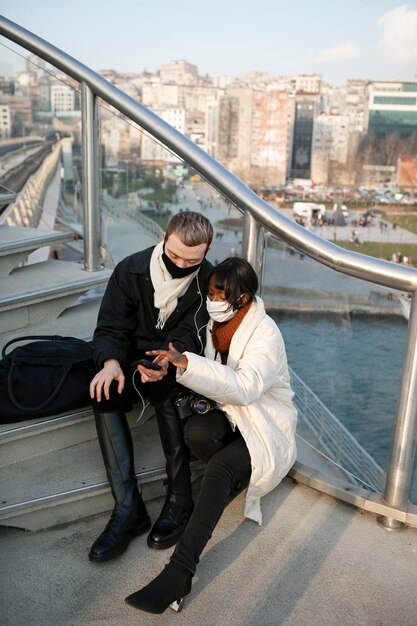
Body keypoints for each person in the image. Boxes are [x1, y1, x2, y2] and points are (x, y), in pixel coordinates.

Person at [125, 257, 297, 614]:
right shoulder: (215, 325)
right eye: (212, 292)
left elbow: (247, 388)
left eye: (221, 294)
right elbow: (209, 376)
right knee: (196, 430)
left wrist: (190, 364)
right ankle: (230, 475)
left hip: (265, 425)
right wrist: (171, 364)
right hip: (233, 417)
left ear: (244, 298)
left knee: (219, 467)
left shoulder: (265, 333)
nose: (213, 299)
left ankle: (180, 572)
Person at [88, 211, 213, 562]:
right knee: (102, 388)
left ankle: (179, 499)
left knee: (170, 392)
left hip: (175, 362)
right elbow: (110, 327)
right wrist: (111, 363)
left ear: (205, 253)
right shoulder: (130, 269)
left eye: (193, 260)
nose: (181, 265)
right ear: (163, 237)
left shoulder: (206, 279)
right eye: (174, 256)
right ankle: (128, 508)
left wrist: (167, 362)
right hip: (129, 359)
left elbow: (193, 335)